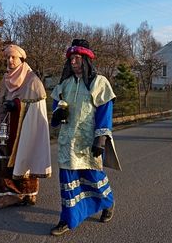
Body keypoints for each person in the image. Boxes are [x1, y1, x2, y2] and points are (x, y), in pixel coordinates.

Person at [50, 39, 121, 236]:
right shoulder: (64, 84)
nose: (73, 62)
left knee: (93, 177)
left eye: (77, 58)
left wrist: (101, 139)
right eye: (71, 58)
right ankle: (67, 219)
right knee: (67, 180)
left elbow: (105, 111)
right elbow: (56, 107)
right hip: (67, 141)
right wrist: (56, 114)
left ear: (86, 60)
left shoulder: (99, 82)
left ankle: (107, 203)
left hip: (88, 140)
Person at [0, 44, 52, 208]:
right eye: (7, 57)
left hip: (23, 129)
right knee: (0, 158)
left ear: (21, 59)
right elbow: (0, 96)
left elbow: (36, 106)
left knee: (22, 157)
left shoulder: (32, 80)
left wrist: (16, 105)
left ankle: (25, 194)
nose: (10, 60)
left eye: (13, 57)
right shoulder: (7, 78)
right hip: (5, 126)